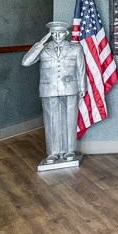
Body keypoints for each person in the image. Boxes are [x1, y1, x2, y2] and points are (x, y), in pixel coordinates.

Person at [21, 21, 86, 164]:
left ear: (66, 33)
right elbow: (26, 62)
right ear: (50, 34)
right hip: (49, 89)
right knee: (51, 121)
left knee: (70, 119)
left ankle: (69, 150)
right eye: (54, 33)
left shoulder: (75, 48)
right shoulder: (43, 49)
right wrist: (40, 43)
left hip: (70, 88)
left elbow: (81, 69)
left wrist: (82, 88)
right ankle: (53, 152)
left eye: (61, 33)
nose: (57, 36)